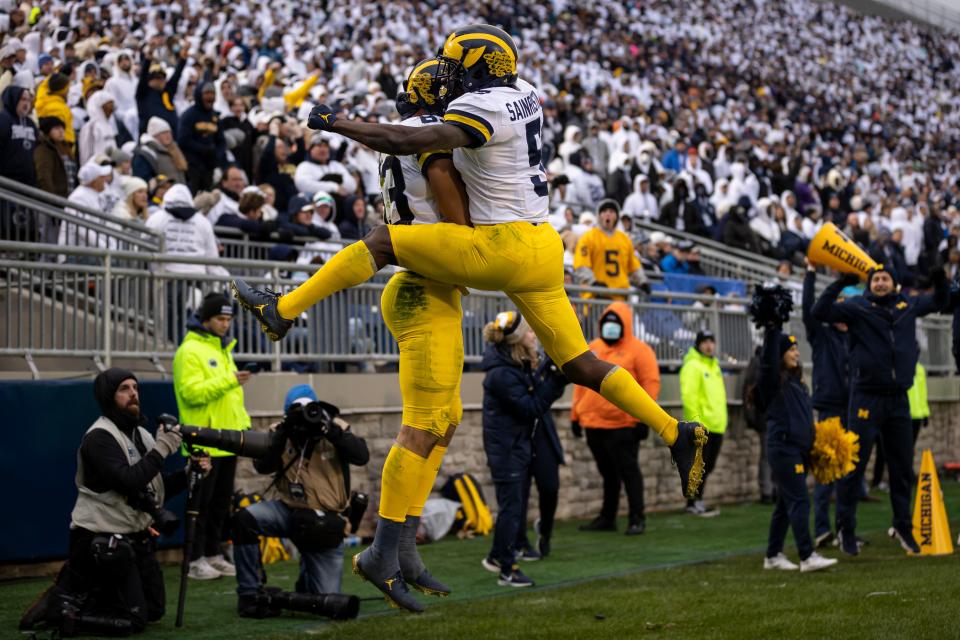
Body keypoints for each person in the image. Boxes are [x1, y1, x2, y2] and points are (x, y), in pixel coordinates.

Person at [233, 26, 708, 516]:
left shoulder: (484, 106)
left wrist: (340, 124)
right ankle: (675, 431)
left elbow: (406, 139)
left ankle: (282, 309)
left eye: (460, 66)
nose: (454, 76)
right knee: (580, 363)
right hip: (542, 246)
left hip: (500, 247)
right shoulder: (525, 93)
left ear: (481, 65)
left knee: (382, 240)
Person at [350, 59, 472, 612]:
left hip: (429, 290)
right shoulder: (429, 141)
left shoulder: (412, 135)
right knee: (420, 427)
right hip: (420, 286)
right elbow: (461, 224)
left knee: (445, 423)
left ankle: (404, 548)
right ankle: (381, 550)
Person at [19, 368, 210, 635]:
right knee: (134, 621)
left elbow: (153, 485)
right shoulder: (99, 437)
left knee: (154, 610)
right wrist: (163, 447)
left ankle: (79, 594)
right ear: (109, 396)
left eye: (135, 387)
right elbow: (128, 480)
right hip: (100, 539)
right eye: (124, 389)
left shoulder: (141, 434)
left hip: (133, 536)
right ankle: (62, 611)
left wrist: (189, 473)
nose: (133, 394)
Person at [812, 265, 948, 555]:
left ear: (895, 285)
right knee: (854, 468)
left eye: (886, 278)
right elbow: (819, 311)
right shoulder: (856, 306)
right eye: (876, 279)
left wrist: (938, 278)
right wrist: (841, 283)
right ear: (869, 284)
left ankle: (902, 526)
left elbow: (941, 301)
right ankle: (846, 530)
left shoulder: (907, 305)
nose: (881, 282)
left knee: (901, 469)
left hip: (899, 399)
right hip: (865, 399)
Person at [233, 384, 369, 618]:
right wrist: (285, 432)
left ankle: (306, 578)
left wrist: (329, 429)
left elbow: (361, 456)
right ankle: (249, 594)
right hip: (288, 510)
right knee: (244, 519)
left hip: (324, 520)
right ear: (287, 413)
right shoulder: (279, 431)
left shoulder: (336, 427)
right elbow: (262, 467)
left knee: (324, 599)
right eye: (298, 411)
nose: (306, 417)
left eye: (310, 409)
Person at [480, 311, 568, 588]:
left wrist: (553, 373)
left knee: (513, 507)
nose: (534, 336)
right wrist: (555, 383)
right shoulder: (502, 374)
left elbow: (532, 390)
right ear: (518, 340)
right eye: (530, 332)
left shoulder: (514, 366)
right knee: (511, 510)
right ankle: (508, 570)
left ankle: (496, 556)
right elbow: (530, 407)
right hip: (507, 450)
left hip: (514, 446)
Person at [172, 292, 251, 580]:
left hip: (227, 442)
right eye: (220, 318)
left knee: (219, 506)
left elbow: (231, 401)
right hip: (203, 443)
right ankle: (194, 560)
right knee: (199, 507)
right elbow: (191, 394)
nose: (226, 324)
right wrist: (230, 380)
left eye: (229, 319)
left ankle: (213, 554)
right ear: (205, 319)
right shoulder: (188, 351)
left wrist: (243, 429)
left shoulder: (222, 349)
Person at [572, 302, 659, 535]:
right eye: (607, 323)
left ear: (625, 325)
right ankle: (607, 517)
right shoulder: (592, 348)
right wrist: (575, 415)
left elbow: (650, 384)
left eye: (616, 323)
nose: (611, 328)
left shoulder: (640, 351)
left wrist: (643, 419)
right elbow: (580, 385)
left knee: (629, 472)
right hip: (593, 423)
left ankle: (636, 518)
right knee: (608, 474)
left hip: (623, 425)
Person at [756, 327, 838, 572]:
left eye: (795, 348)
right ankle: (807, 555)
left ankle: (772, 556)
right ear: (779, 354)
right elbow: (768, 361)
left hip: (798, 449)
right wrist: (772, 329)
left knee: (785, 504)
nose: (796, 353)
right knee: (800, 500)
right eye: (790, 349)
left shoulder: (796, 382)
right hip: (783, 448)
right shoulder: (773, 381)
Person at [802, 262, 850, 548]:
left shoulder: (856, 336)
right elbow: (809, 308)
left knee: (848, 473)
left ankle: (845, 529)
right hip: (830, 408)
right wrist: (810, 274)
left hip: (854, 407)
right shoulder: (822, 335)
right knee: (826, 471)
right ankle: (822, 529)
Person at [678, 331, 727, 516]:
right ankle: (693, 501)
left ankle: (698, 500)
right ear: (698, 344)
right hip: (703, 426)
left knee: (709, 465)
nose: (709, 345)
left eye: (711, 341)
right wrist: (696, 424)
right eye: (705, 342)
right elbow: (690, 398)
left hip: (716, 425)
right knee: (699, 466)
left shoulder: (714, 366)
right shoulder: (692, 366)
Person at [573, 199, 648, 300]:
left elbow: (634, 265)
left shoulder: (624, 239)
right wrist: (594, 282)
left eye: (611, 212)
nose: (608, 214)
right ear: (599, 215)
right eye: (604, 212)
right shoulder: (588, 237)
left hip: (620, 297)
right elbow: (581, 265)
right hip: (596, 297)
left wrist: (642, 281)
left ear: (617, 216)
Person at [178, 80, 226, 194]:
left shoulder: (215, 116)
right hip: (192, 166)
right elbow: (183, 140)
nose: (210, 97)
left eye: (212, 93)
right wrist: (202, 149)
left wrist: (217, 155)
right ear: (199, 95)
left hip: (209, 166)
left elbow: (221, 141)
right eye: (207, 93)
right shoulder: (189, 115)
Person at [132, 116, 188, 185]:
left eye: (168, 132)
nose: (168, 136)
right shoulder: (148, 153)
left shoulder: (175, 148)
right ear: (155, 136)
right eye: (163, 133)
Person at [0, 85, 36, 187]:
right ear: (13, 98)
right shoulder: (3, 121)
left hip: (28, 185)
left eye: (29, 100)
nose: (26, 104)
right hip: (6, 184)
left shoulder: (31, 124)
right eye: (23, 99)